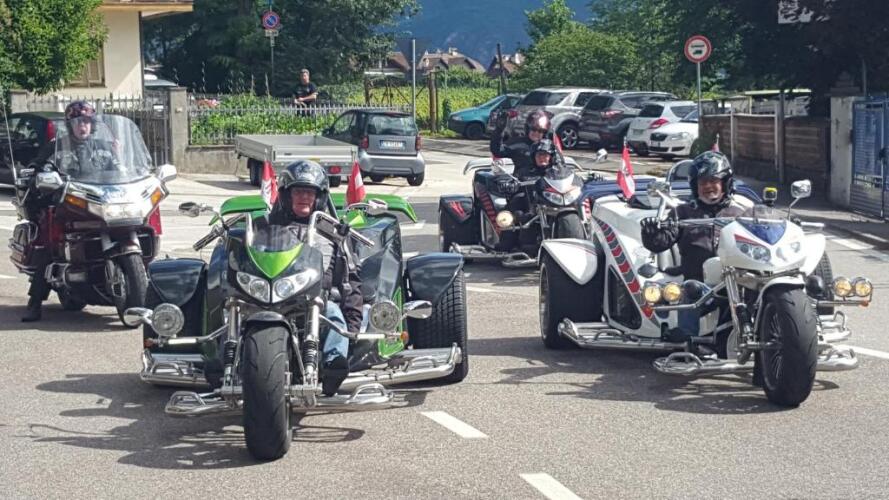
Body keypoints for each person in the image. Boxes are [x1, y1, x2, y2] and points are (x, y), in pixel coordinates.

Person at [267, 160, 361, 395]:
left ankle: (334, 364)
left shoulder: (333, 234)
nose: (304, 197)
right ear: (286, 195)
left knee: (334, 315)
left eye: (309, 192)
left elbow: (350, 281)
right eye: (298, 191)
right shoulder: (266, 230)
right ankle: (226, 362)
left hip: (316, 301)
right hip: (272, 299)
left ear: (319, 197)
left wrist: (353, 325)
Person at [21, 100, 116, 322]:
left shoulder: (103, 147)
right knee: (49, 243)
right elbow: (38, 166)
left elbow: (122, 170)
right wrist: (41, 175)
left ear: (92, 124)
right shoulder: (56, 146)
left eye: (86, 121)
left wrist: (130, 165)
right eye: (77, 122)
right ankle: (35, 302)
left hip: (99, 204)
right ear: (70, 125)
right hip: (66, 204)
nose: (82, 126)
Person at [640, 151, 747, 338]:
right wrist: (650, 233)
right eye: (702, 182)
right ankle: (687, 339)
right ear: (695, 186)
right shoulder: (682, 213)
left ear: (725, 183)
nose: (708, 186)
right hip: (700, 285)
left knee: (758, 291)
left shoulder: (741, 214)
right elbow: (662, 242)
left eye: (713, 180)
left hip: (736, 283)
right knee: (689, 288)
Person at [489, 109, 551, 180]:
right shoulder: (518, 144)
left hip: (545, 183)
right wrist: (499, 130)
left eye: (540, 131)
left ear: (544, 133)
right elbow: (497, 151)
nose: (536, 133)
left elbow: (559, 165)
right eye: (533, 129)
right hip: (522, 183)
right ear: (528, 128)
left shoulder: (550, 147)